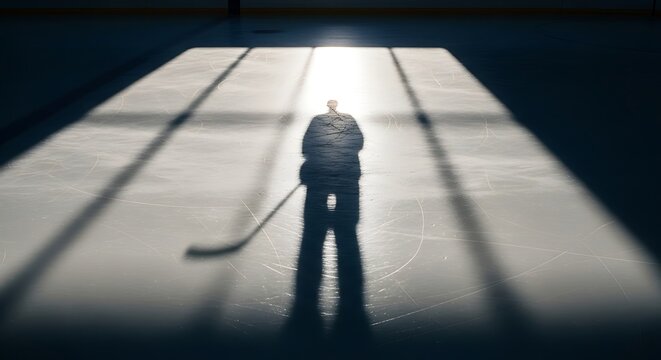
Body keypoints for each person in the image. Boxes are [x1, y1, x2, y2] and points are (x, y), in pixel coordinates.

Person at [283, 100, 370, 356]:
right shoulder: (349, 120)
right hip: (345, 173)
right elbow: (359, 143)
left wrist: (316, 160)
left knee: (315, 230)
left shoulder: (317, 122)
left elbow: (306, 148)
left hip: (321, 174)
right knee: (346, 232)